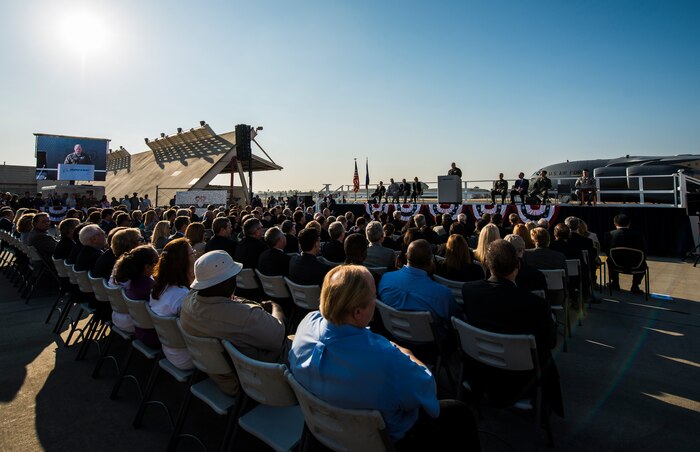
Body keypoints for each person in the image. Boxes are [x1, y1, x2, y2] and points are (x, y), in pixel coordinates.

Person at [289, 265, 479, 449]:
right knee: (459, 413)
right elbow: (427, 389)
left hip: (324, 429)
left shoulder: (306, 324)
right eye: (373, 296)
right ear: (358, 312)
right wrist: (406, 353)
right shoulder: (387, 360)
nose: (376, 299)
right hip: (388, 440)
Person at [461, 239, 563, 418]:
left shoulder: (469, 290)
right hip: (521, 380)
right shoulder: (535, 304)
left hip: (478, 371)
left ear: (486, 263)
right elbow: (550, 342)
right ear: (518, 265)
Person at [179, 250, 288, 395]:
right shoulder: (245, 317)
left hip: (221, 376)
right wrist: (276, 307)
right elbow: (279, 334)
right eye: (233, 277)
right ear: (226, 282)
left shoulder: (187, 303)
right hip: (256, 382)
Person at [378, 239, 461, 339]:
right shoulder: (443, 294)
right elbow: (456, 324)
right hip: (432, 347)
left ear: (406, 256)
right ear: (430, 261)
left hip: (393, 338)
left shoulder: (386, 278)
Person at [148, 238, 195, 368]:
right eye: (192, 253)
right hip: (189, 357)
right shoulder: (182, 296)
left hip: (169, 350)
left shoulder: (158, 287)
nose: (195, 256)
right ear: (183, 261)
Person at [111, 245, 160, 337]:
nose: (159, 263)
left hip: (140, 330)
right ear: (147, 267)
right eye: (157, 261)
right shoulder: (149, 287)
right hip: (153, 335)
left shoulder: (133, 281)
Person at [604, 214, 647, 294]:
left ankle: (615, 283)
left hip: (616, 264)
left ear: (615, 224)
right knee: (643, 262)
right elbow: (644, 251)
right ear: (629, 223)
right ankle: (635, 286)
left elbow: (606, 250)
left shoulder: (609, 235)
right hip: (636, 265)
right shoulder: (639, 235)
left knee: (609, 259)